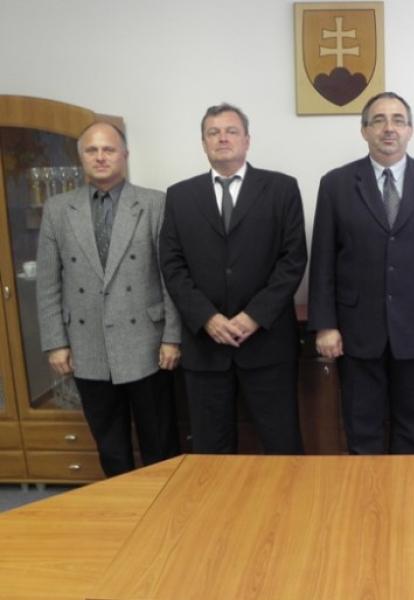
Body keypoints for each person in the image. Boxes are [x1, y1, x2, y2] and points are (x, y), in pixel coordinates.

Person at [308, 91, 414, 454]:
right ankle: (365, 492)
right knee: (360, 430)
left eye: (398, 120)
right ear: (364, 130)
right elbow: (323, 260)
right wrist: (325, 325)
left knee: (411, 430)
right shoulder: (336, 184)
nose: (389, 128)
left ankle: (405, 491)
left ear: (410, 130)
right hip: (356, 331)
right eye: (379, 120)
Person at [159, 103, 306, 454]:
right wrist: (207, 318)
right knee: (211, 451)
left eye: (231, 131)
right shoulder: (180, 196)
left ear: (247, 140)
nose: (222, 138)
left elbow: (293, 260)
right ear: (203, 143)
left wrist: (254, 316)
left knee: (282, 445)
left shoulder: (282, 188)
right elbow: (172, 265)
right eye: (213, 132)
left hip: (268, 343)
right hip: (205, 346)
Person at [36, 122, 180, 477]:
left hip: (148, 343)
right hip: (87, 344)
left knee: (159, 439)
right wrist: (56, 342)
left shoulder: (154, 203)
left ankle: (166, 500)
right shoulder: (58, 208)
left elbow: (171, 276)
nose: (100, 157)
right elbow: (48, 281)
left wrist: (172, 337)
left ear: (124, 155)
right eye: (92, 150)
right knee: (110, 444)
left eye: (109, 149)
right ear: (81, 157)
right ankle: (123, 502)